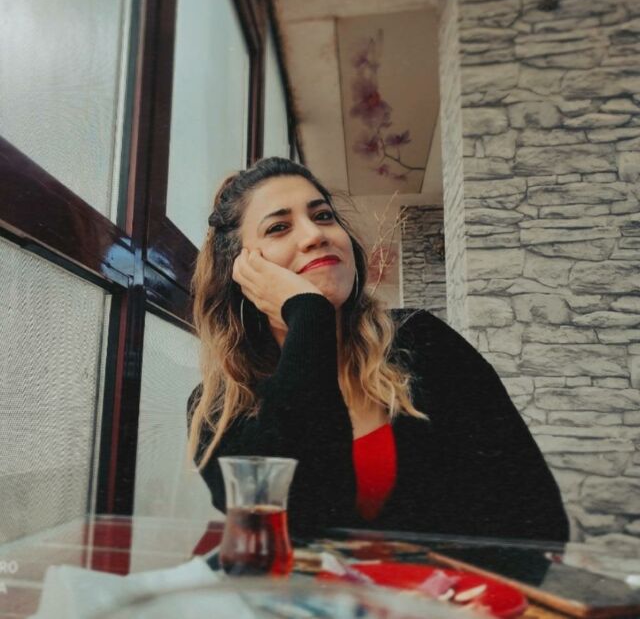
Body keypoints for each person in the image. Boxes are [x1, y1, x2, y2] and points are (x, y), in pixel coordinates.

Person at [187, 157, 569, 542]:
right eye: (279, 227)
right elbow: (292, 526)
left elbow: (537, 518)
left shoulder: (422, 341)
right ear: (239, 270)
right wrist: (308, 317)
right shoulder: (218, 408)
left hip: (447, 583)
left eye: (323, 216)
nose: (315, 235)